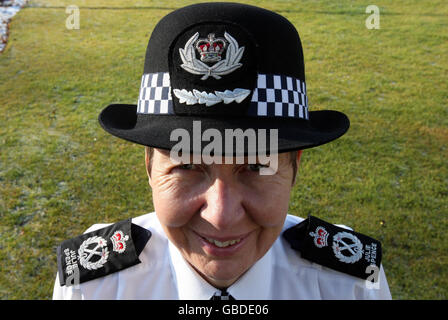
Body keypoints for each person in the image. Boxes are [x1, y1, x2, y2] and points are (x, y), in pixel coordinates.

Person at [53, 2, 392, 300]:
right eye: (187, 166)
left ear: (294, 170)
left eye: (257, 167)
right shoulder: (93, 287)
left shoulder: (350, 285)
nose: (221, 215)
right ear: (149, 167)